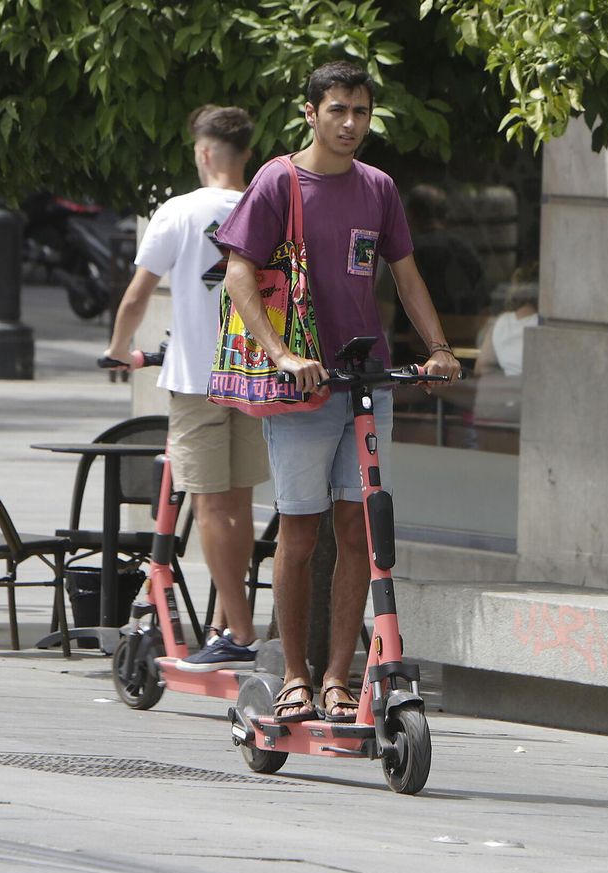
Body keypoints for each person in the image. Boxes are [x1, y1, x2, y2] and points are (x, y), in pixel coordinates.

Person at [214, 61, 459, 723]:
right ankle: (293, 675)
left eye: (361, 111)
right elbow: (239, 273)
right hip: (302, 389)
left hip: (364, 381)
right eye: (338, 111)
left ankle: (336, 679)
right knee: (299, 534)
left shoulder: (378, 188)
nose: (351, 124)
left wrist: (437, 349)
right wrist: (284, 354)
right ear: (312, 113)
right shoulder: (278, 180)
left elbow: (404, 275)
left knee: (358, 533)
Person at [103, 105, 267, 670]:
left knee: (211, 503)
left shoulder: (179, 211)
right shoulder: (265, 205)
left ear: (202, 152)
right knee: (240, 503)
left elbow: (136, 296)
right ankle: (227, 617)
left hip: (197, 379)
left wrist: (119, 349)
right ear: (246, 153)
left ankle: (239, 632)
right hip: (253, 376)